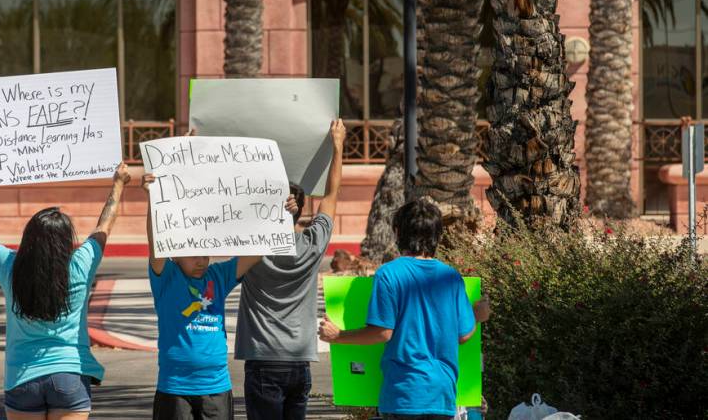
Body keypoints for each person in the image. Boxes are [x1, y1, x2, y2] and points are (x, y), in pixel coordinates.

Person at [0, 162, 131, 420]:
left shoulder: (11, 266)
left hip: (22, 377)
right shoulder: (80, 265)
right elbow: (104, 227)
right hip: (70, 375)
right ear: (66, 241)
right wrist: (118, 184)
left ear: (29, 238)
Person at [318, 197, 490, 420]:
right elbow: (464, 334)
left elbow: (382, 332)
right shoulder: (451, 277)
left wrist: (338, 336)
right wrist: (477, 315)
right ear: (438, 236)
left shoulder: (389, 274)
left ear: (398, 232)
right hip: (442, 395)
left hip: (404, 394)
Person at [234, 119, 346, 420]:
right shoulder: (312, 243)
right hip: (299, 362)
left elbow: (232, 210)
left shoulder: (252, 249)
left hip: (263, 361)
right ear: (298, 209)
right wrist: (338, 146)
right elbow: (332, 195)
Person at [141, 171, 265, 420]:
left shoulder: (219, 275)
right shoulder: (167, 277)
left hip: (216, 387)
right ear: (174, 254)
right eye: (192, 253)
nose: (201, 260)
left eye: (205, 253)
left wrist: (280, 215)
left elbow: (258, 250)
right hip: (174, 387)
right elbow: (155, 244)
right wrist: (153, 198)